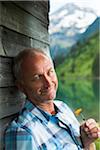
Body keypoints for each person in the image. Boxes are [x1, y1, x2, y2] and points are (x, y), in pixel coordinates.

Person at [4, 48, 100, 150]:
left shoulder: (63, 107)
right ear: (21, 86)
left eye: (50, 72)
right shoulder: (22, 132)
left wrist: (87, 142)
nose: (48, 83)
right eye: (37, 77)